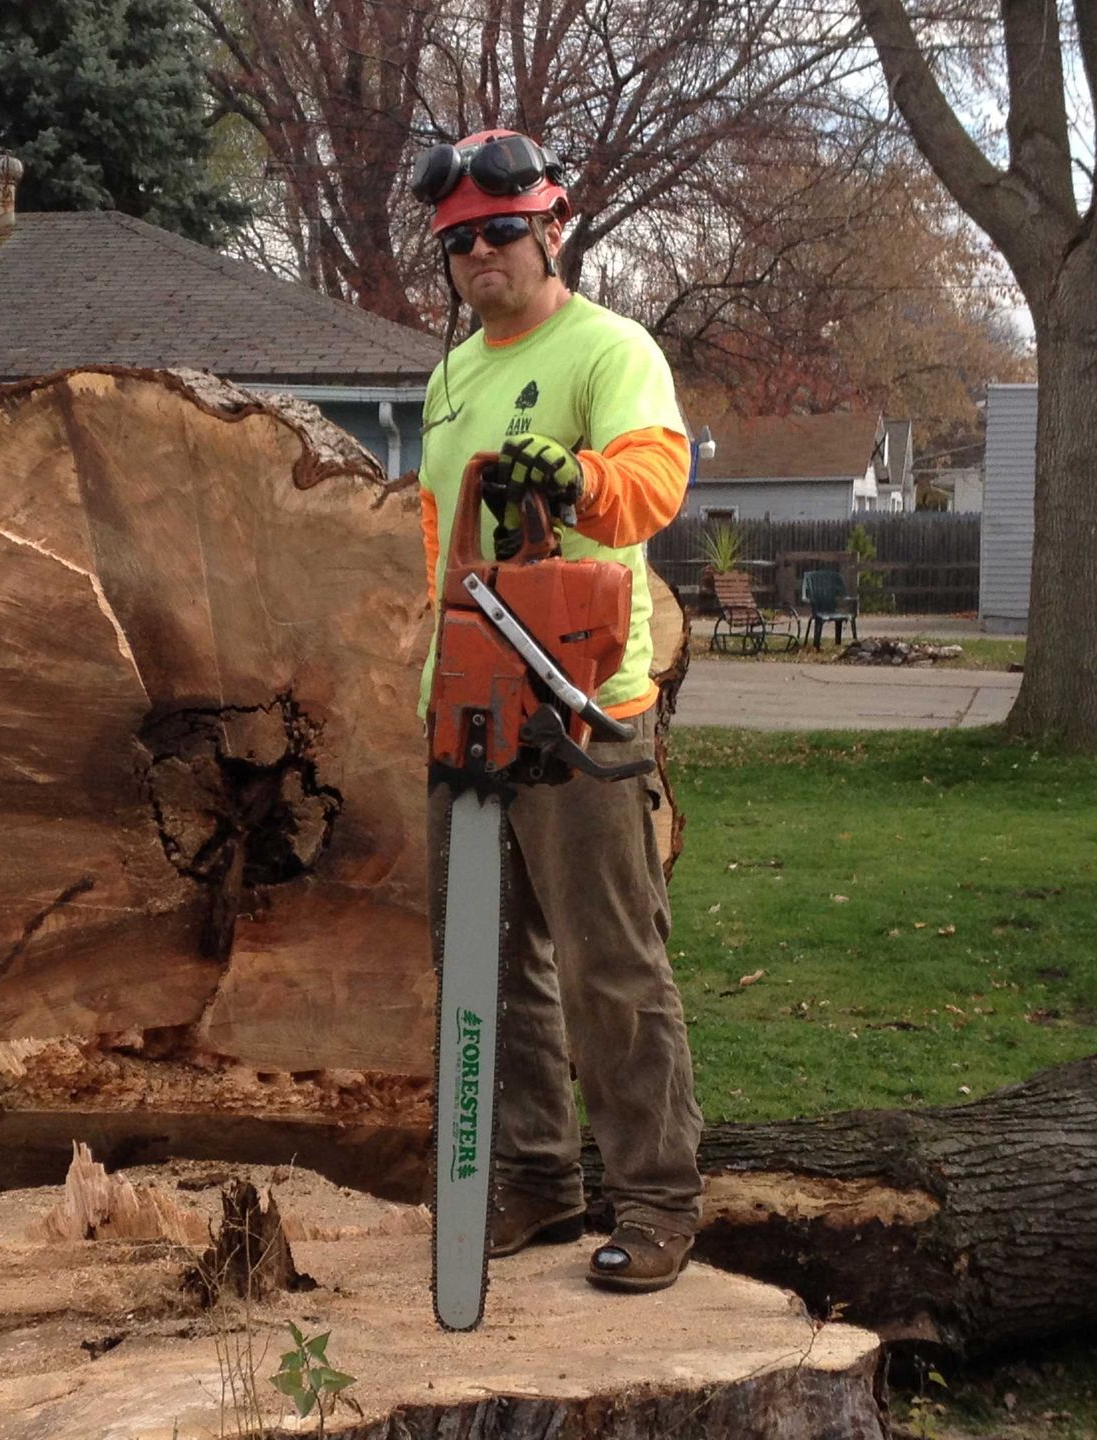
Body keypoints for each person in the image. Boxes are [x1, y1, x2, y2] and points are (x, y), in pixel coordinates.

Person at [410, 128, 704, 1292]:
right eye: (461, 242)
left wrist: (575, 477)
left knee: (609, 964)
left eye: (501, 232)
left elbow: (656, 484)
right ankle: (532, 1172)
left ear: (550, 229)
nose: (482, 254)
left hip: (580, 709)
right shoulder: (447, 377)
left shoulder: (608, 348)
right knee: (486, 962)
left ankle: (660, 1197)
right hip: (469, 698)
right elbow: (435, 535)